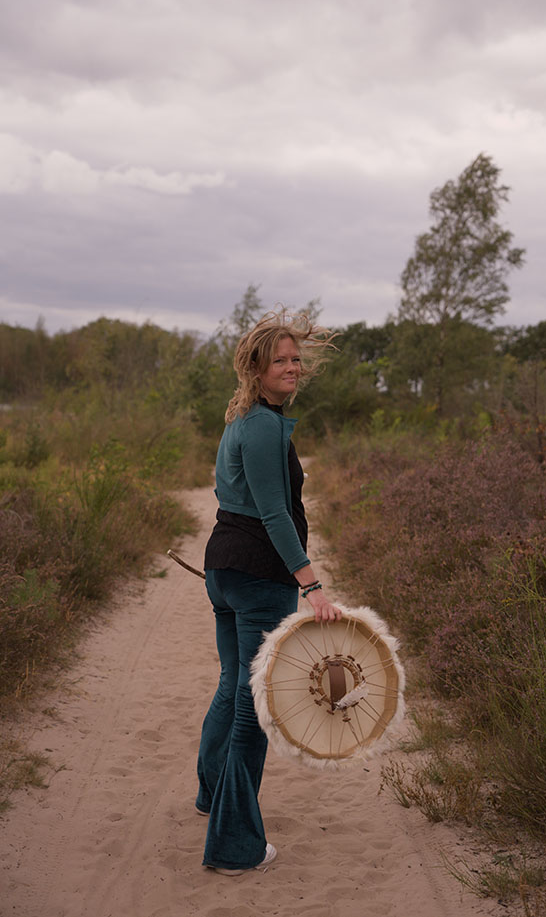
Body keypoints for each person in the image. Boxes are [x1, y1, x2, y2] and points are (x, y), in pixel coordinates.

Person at [196, 308, 342, 877]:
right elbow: (273, 512)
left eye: (294, 359)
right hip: (256, 578)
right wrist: (312, 584)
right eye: (278, 360)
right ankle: (234, 845)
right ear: (255, 370)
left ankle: (211, 795)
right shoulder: (258, 426)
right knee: (253, 709)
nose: (291, 367)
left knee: (235, 683)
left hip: (227, 572)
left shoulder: (247, 421)